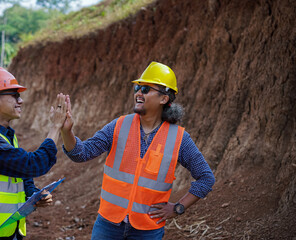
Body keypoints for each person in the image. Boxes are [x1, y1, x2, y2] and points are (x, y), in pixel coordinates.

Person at [60, 62, 216, 239]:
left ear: (164, 98)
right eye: (137, 88)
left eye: (146, 89)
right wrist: (66, 131)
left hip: (148, 230)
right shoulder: (118, 126)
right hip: (108, 225)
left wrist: (178, 208)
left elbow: (206, 178)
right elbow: (81, 153)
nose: (138, 93)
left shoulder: (179, 139)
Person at [0, 67, 67, 240]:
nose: (21, 100)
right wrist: (55, 127)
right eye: (14, 95)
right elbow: (33, 165)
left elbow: (20, 174)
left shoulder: (5, 136)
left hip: (8, 230)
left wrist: (34, 195)